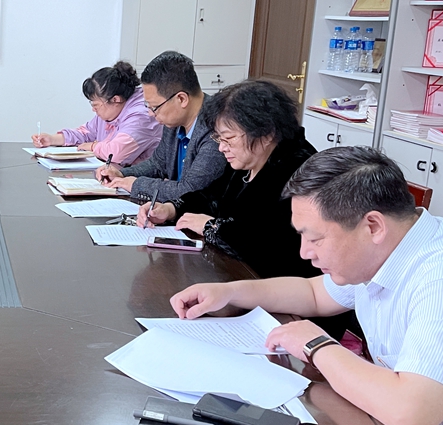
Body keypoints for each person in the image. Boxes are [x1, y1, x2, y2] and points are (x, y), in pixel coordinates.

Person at [170, 146, 443, 425]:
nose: (305, 253)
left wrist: (319, 346)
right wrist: (231, 292)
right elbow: (314, 294)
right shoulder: (390, 248)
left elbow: (412, 412)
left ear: (372, 226)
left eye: (314, 238)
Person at [143, 80, 318, 279]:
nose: (222, 147)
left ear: (266, 133)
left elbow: (269, 243)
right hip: (234, 273)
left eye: (228, 138)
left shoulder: (299, 171)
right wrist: (171, 209)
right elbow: (213, 195)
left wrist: (211, 227)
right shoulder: (249, 159)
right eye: (219, 138)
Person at [95, 51, 225, 208]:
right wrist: (121, 174)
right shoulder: (175, 120)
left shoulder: (217, 128)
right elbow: (157, 164)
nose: (151, 113)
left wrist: (135, 184)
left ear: (181, 99)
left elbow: (189, 190)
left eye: (155, 107)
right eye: (148, 106)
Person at [31, 61, 162, 166]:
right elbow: (87, 133)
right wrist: (52, 139)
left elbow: (116, 153)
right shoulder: (111, 110)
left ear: (115, 99)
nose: (93, 110)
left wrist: (93, 146)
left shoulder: (142, 115)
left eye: (95, 105)